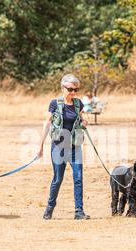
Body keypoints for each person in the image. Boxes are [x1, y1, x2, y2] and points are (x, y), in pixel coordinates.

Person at [37, 74, 90, 220]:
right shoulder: (54, 103)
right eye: (70, 89)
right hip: (58, 147)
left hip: (74, 147)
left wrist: (84, 123)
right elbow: (47, 123)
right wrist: (40, 146)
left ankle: (79, 211)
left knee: (78, 178)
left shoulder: (79, 103)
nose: (73, 92)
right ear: (63, 88)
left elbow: (82, 119)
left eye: (76, 90)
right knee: (58, 179)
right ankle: (49, 208)